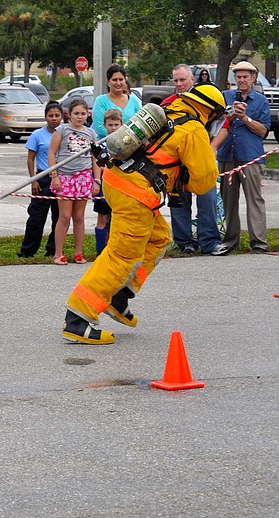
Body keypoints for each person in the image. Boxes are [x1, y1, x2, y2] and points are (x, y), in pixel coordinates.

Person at [62, 84, 225, 344]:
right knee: (121, 256)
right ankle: (78, 318)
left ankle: (120, 295)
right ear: (211, 112)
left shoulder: (166, 112)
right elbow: (204, 182)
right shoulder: (193, 129)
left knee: (159, 238)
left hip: (117, 181)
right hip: (135, 193)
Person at [162, 64, 224, 256]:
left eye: (183, 80)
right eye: (176, 80)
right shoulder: (168, 103)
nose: (179, 84)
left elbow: (224, 125)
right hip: (176, 162)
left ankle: (210, 242)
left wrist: (211, 149)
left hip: (202, 161)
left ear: (192, 80)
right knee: (179, 202)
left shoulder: (207, 101)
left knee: (208, 200)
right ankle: (184, 243)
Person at [214, 61, 270, 255]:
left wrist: (245, 117)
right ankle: (230, 240)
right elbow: (215, 126)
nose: (242, 80)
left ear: (253, 78)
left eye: (246, 76)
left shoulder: (261, 101)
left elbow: (263, 131)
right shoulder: (225, 97)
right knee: (228, 200)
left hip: (251, 156)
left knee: (254, 199)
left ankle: (259, 243)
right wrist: (229, 117)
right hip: (227, 154)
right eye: (238, 77)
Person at [48, 99, 100, 265]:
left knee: (79, 216)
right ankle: (58, 253)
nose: (79, 117)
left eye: (83, 114)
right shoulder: (61, 130)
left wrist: (96, 180)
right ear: (69, 114)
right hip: (64, 177)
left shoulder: (91, 133)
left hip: (84, 177)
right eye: (76, 113)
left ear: (87, 115)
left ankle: (78, 252)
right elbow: (51, 153)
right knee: (64, 216)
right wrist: (54, 176)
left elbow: (96, 159)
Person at [18, 101, 62, 258]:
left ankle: (53, 250)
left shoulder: (65, 134)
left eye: (57, 115)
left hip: (61, 179)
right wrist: (33, 180)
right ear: (46, 117)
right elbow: (30, 159)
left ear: (62, 117)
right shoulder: (37, 135)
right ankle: (28, 251)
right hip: (42, 177)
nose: (54, 119)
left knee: (59, 216)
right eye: (51, 116)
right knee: (36, 217)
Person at [93, 109, 121, 254]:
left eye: (116, 124)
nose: (113, 128)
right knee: (102, 219)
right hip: (104, 187)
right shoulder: (101, 145)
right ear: (104, 125)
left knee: (118, 220)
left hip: (120, 188)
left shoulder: (125, 145)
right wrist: (97, 180)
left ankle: (114, 251)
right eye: (110, 125)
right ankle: (100, 251)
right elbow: (97, 165)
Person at [92, 64, 142, 138]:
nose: (118, 83)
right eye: (114, 80)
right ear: (108, 82)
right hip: (107, 145)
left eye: (121, 79)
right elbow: (100, 128)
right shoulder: (100, 101)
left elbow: (140, 124)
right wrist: (120, 138)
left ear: (125, 80)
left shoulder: (134, 100)